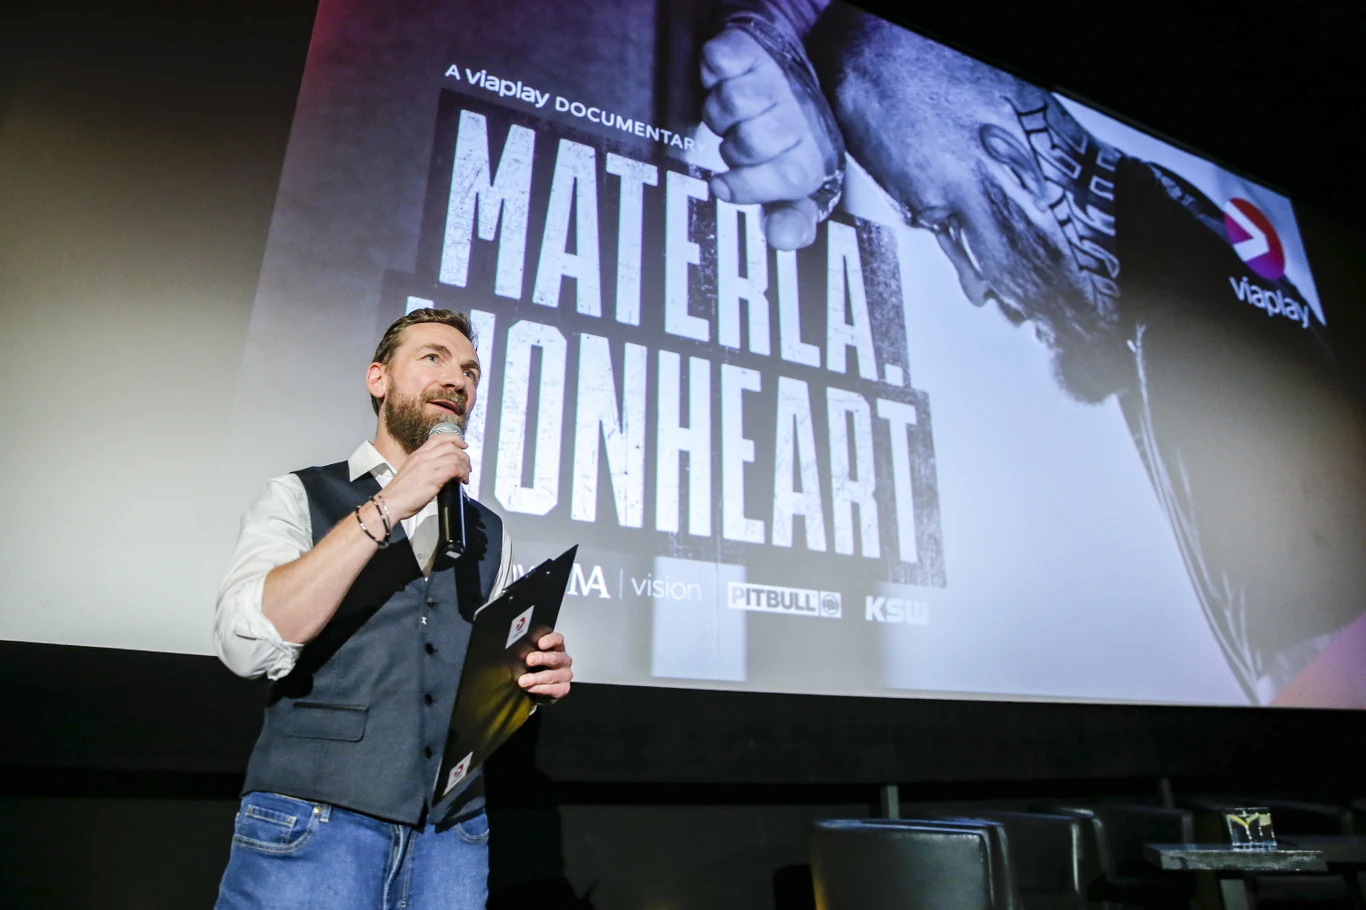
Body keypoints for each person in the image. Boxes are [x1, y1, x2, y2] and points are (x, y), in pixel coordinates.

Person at [695, 1, 1366, 705]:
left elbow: (1322, 683)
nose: (974, 284)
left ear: (1014, 162)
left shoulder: (1191, 328)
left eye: (949, 224)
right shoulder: (1171, 245)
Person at [212, 308, 574, 907]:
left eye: (471, 371)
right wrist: (390, 503)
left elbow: (480, 682)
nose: (457, 379)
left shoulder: (489, 532)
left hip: (452, 838)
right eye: (433, 358)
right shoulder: (299, 495)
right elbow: (245, 646)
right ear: (378, 379)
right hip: (314, 822)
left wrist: (532, 682)